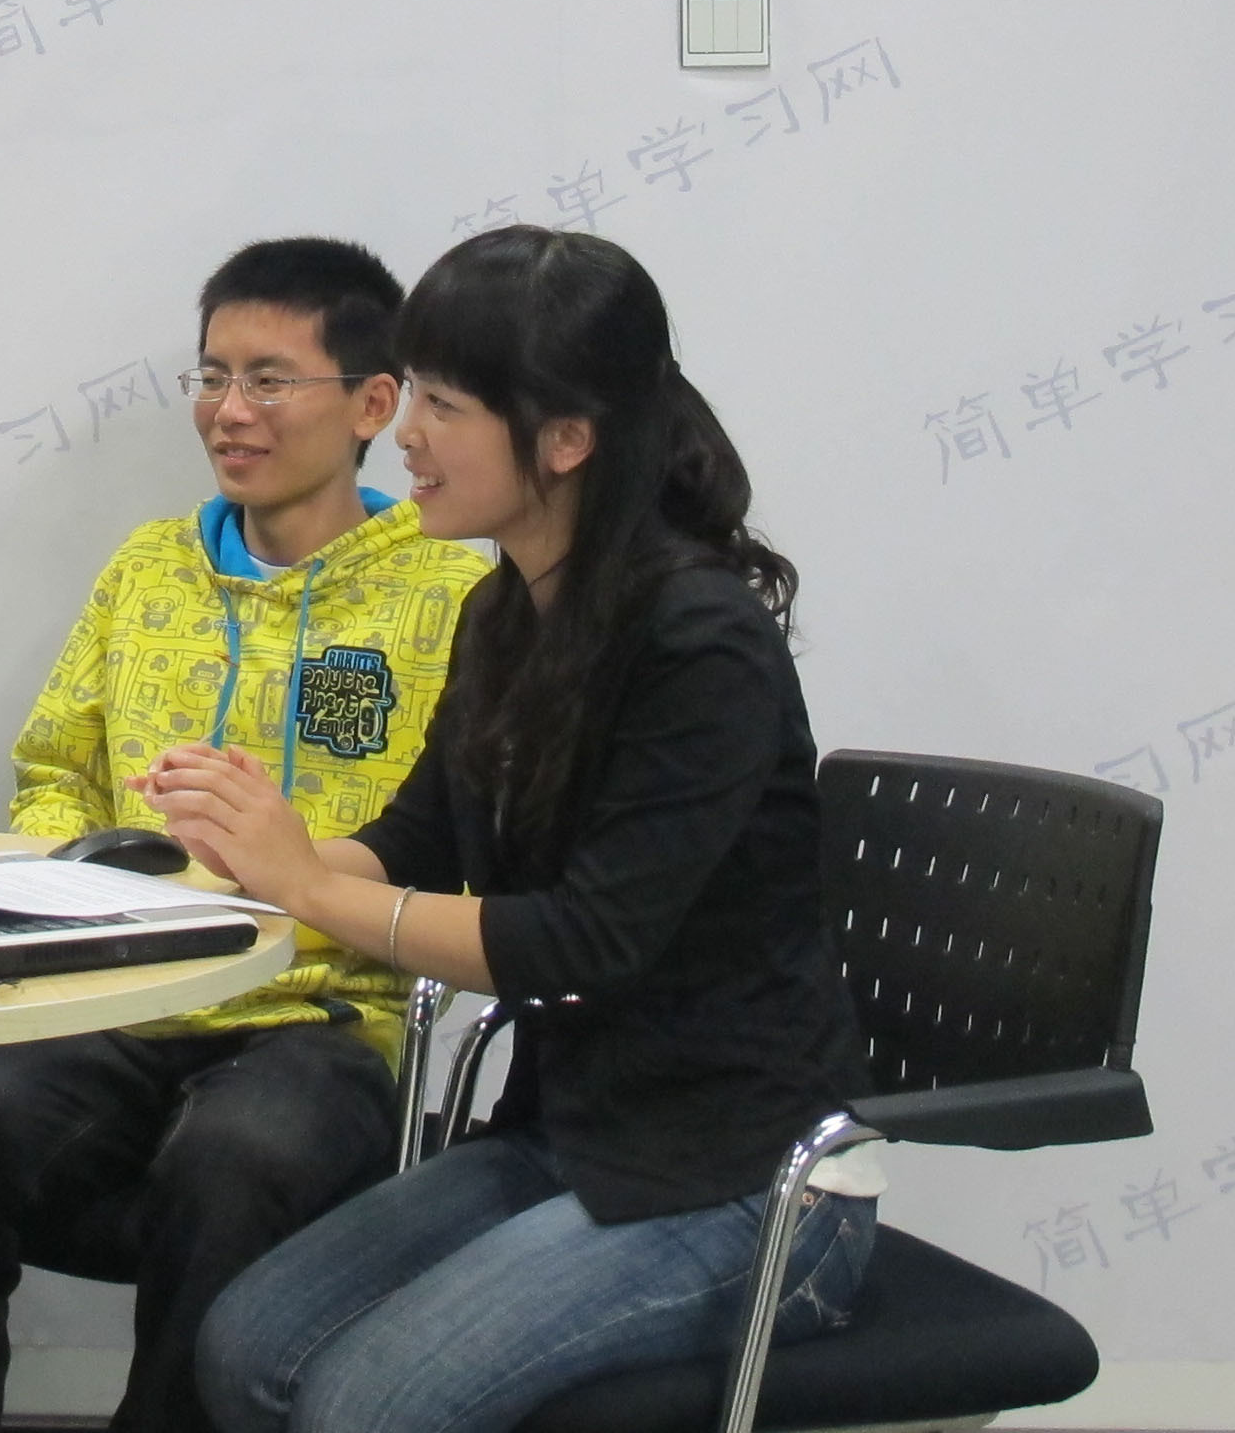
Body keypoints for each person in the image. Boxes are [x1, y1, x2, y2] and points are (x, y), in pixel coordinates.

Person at [157, 227, 880, 1433]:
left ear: (564, 438)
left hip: (744, 1180)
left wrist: (315, 891)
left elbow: (581, 943)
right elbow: (416, 840)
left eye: (443, 405)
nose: (406, 435)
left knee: (361, 1408)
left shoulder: (702, 643)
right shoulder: (507, 611)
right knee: (242, 1349)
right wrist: (263, 858)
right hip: (572, 1135)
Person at [0, 238, 494, 1433]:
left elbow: (454, 845)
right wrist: (79, 874)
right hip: (122, 997)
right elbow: (55, 767)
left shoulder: (450, 595)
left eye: (269, 379)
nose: (229, 410)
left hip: (323, 1017)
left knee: (233, 1167)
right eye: (212, 376)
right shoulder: (147, 569)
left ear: (373, 405)